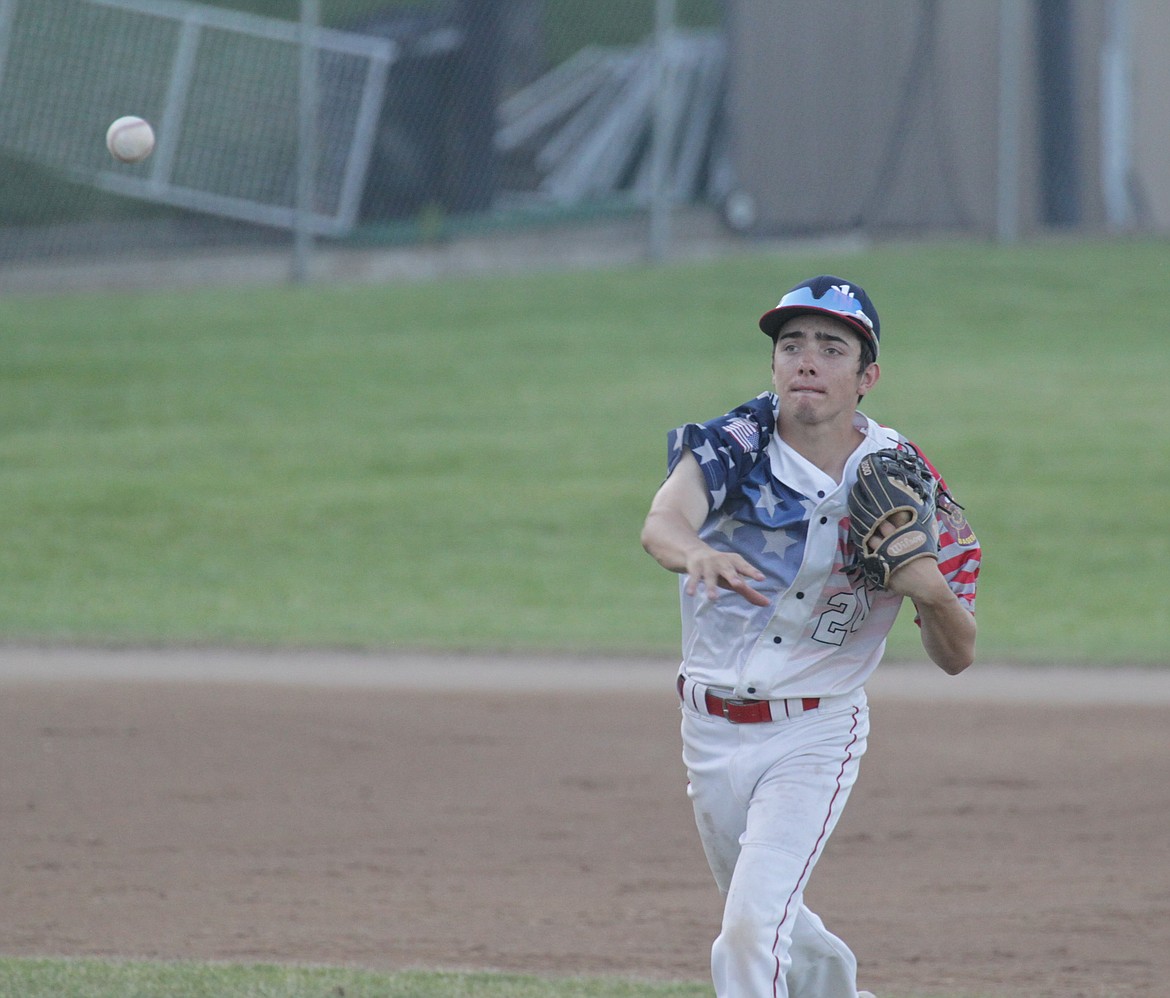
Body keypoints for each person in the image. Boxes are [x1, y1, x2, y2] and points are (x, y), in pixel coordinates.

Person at [640, 275, 980, 998]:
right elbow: (663, 522)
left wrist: (930, 591)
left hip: (813, 737)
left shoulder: (907, 481)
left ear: (868, 377)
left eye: (832, 347)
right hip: (708, 732)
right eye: (791, 344)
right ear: (772, 366)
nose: (806, 360)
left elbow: (958, 655)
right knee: (771, 920)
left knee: (748, 934)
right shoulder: (735, 444)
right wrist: (693, 550)